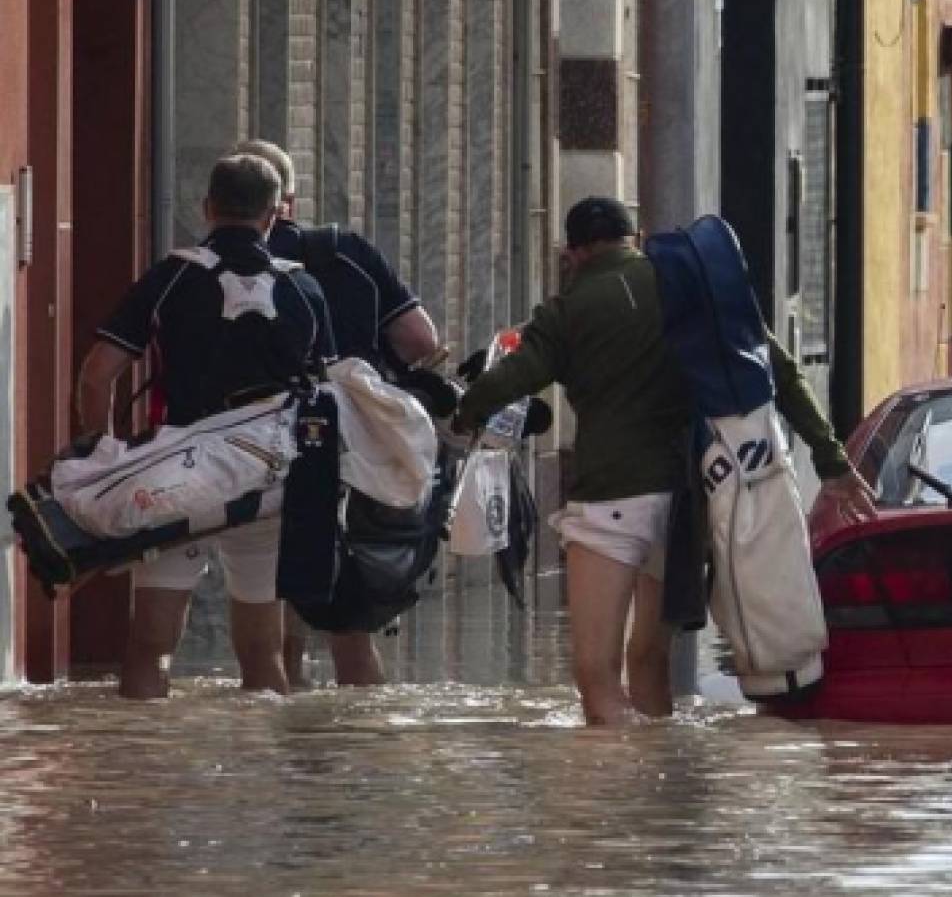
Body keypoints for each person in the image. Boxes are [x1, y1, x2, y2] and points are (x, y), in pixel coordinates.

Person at [451, 198, 875, 725]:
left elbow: (510, 379)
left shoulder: (566, 313)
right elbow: (779, 372)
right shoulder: (691, 287)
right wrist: (832, 462)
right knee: (648, 660)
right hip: (686, 505)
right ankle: (661, 783)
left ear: (572, 253)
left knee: (596, 675)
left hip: (612, 502)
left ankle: (618, 797)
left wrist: (463, 414)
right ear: (636, 235)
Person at [75, 153, 336, 699]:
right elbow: (328, 399)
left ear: (207, 208)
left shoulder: (170, 278)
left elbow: (98, 376)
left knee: (149, 648)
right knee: (264, 656)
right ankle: (267, 778)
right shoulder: (305, 291)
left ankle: (144, 768)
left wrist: (98, 457)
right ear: (275, 215)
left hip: (177, 481)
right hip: (266, 482)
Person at [235, 138, 443, 688]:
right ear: (290, 200)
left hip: (254, 447)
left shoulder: (222, 264)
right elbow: (421, 338)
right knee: (349, 624)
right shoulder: (343, 251)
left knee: (273, 604)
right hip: (349, 448)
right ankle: (353, 752)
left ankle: (287, 734)